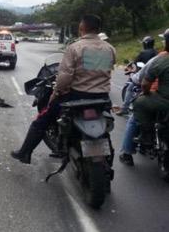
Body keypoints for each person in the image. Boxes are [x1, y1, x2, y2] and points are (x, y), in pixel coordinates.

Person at [10, 14, 116, 164]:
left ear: (82, 27)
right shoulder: (109, 48)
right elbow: (103, 70)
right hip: (102, 98)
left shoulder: (75, 48)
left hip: (76, 97)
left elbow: (64, 78)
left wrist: (56, 93)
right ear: (98, 29)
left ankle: (25, 153)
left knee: (41, 119)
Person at [119, 50, 169, 166]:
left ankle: (128, 152)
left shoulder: (159, 58)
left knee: (134, 118)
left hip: (158, 97)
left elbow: (141, 80)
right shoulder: (156, 55)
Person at [133, 29, 169, 150]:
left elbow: (144, 85)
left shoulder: (161, 60)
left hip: (164, 100)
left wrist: (146, 93)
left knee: (139, 102)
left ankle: (147, 136)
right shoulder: (156, 54)